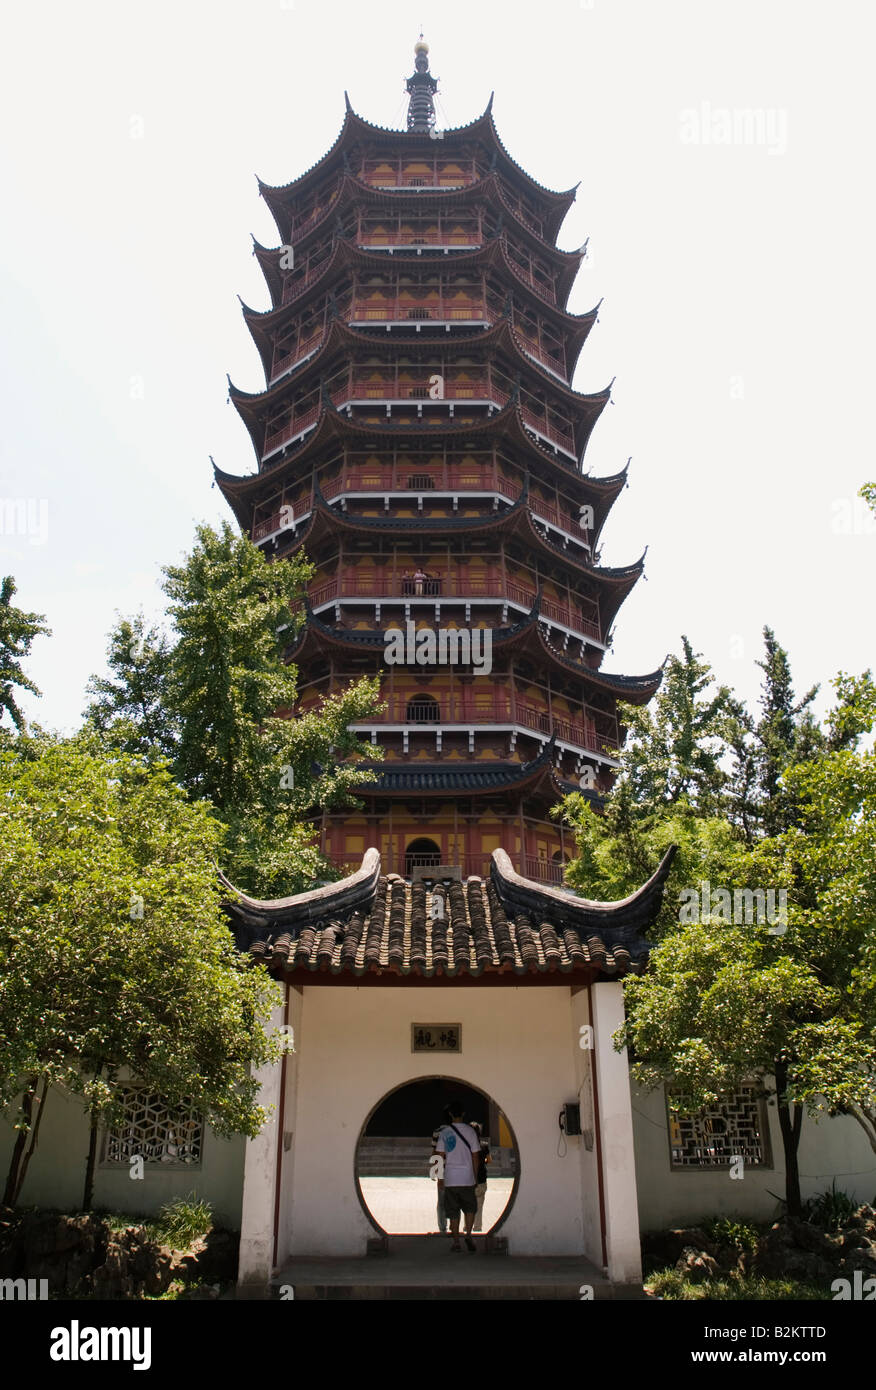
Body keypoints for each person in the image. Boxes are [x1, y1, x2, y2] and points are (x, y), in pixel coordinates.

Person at [434, 1100, 480, 1252]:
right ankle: (468, 1235)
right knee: (470, 1208)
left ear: (450, 1114)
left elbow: (439, 1157)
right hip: (467, 1178)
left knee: (452, 1211)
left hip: (451, 1178)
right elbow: (475, 1157)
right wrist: (475, 1176)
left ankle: (456, 1242)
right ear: (464, 1114)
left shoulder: (445, 1133)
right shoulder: (471, 1132)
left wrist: (440, 1178)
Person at [430, 1106, 452, 1235]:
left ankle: (442, 1228)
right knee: (455, 1200)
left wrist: (435, 1171)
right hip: (456, 1170)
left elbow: (435, 1153)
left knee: (442, 1201)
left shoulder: (437, 1132)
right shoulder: (459, 1132)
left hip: (442, 1171)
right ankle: (454, 1227)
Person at [470, 1121, 491, 1233]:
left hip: (469, 1179)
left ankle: (466, 1226)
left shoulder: (467, 1146)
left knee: (468, 1206)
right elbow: (489, 1160)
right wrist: (484, 1162)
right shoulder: (484, 1145)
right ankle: (477, 1227)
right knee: (479, 1205)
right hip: (482, 1178)